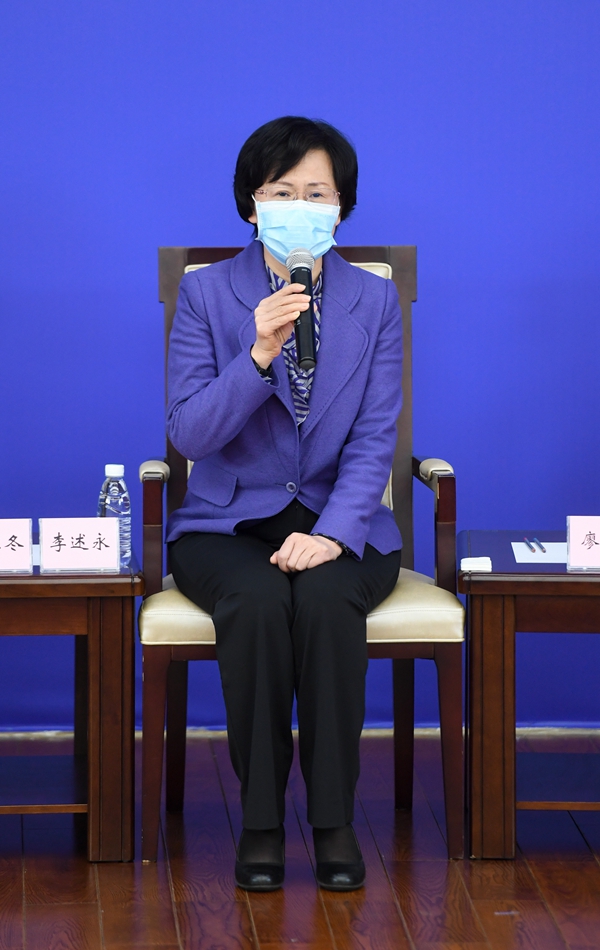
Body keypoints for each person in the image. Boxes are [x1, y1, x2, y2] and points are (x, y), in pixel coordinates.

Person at [166, 116, 403, 892]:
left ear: (342, 208)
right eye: (281, 191)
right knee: (260, 603)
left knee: (329, 603)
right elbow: (190, 431)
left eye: (317, 193)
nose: (300, 207)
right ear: (251, 204)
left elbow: (374, 436)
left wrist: (334, 533)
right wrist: (258, 354)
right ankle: (261, 823)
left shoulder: (376, 301)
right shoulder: (205, 293)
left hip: (343, 518)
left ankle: (334, 822)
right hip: (227, 522)